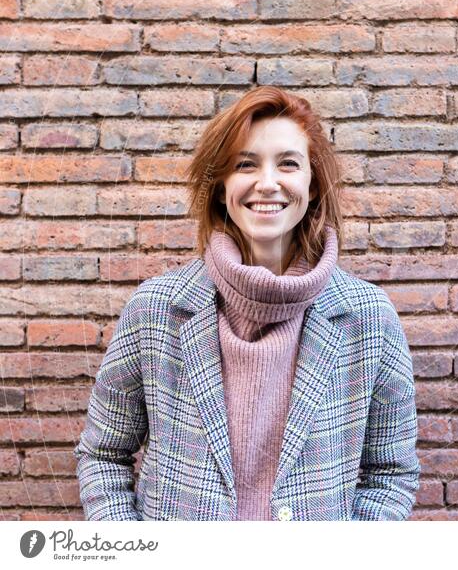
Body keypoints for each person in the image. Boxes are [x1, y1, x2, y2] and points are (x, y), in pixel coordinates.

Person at [73, 86, 420, 521]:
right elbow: (104, 455)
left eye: (288, 164)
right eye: (245, 164)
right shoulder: (156, 310)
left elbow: (390, 474)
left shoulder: (368, 318)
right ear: (221, 188)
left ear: (312, 186)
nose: (268, 183)